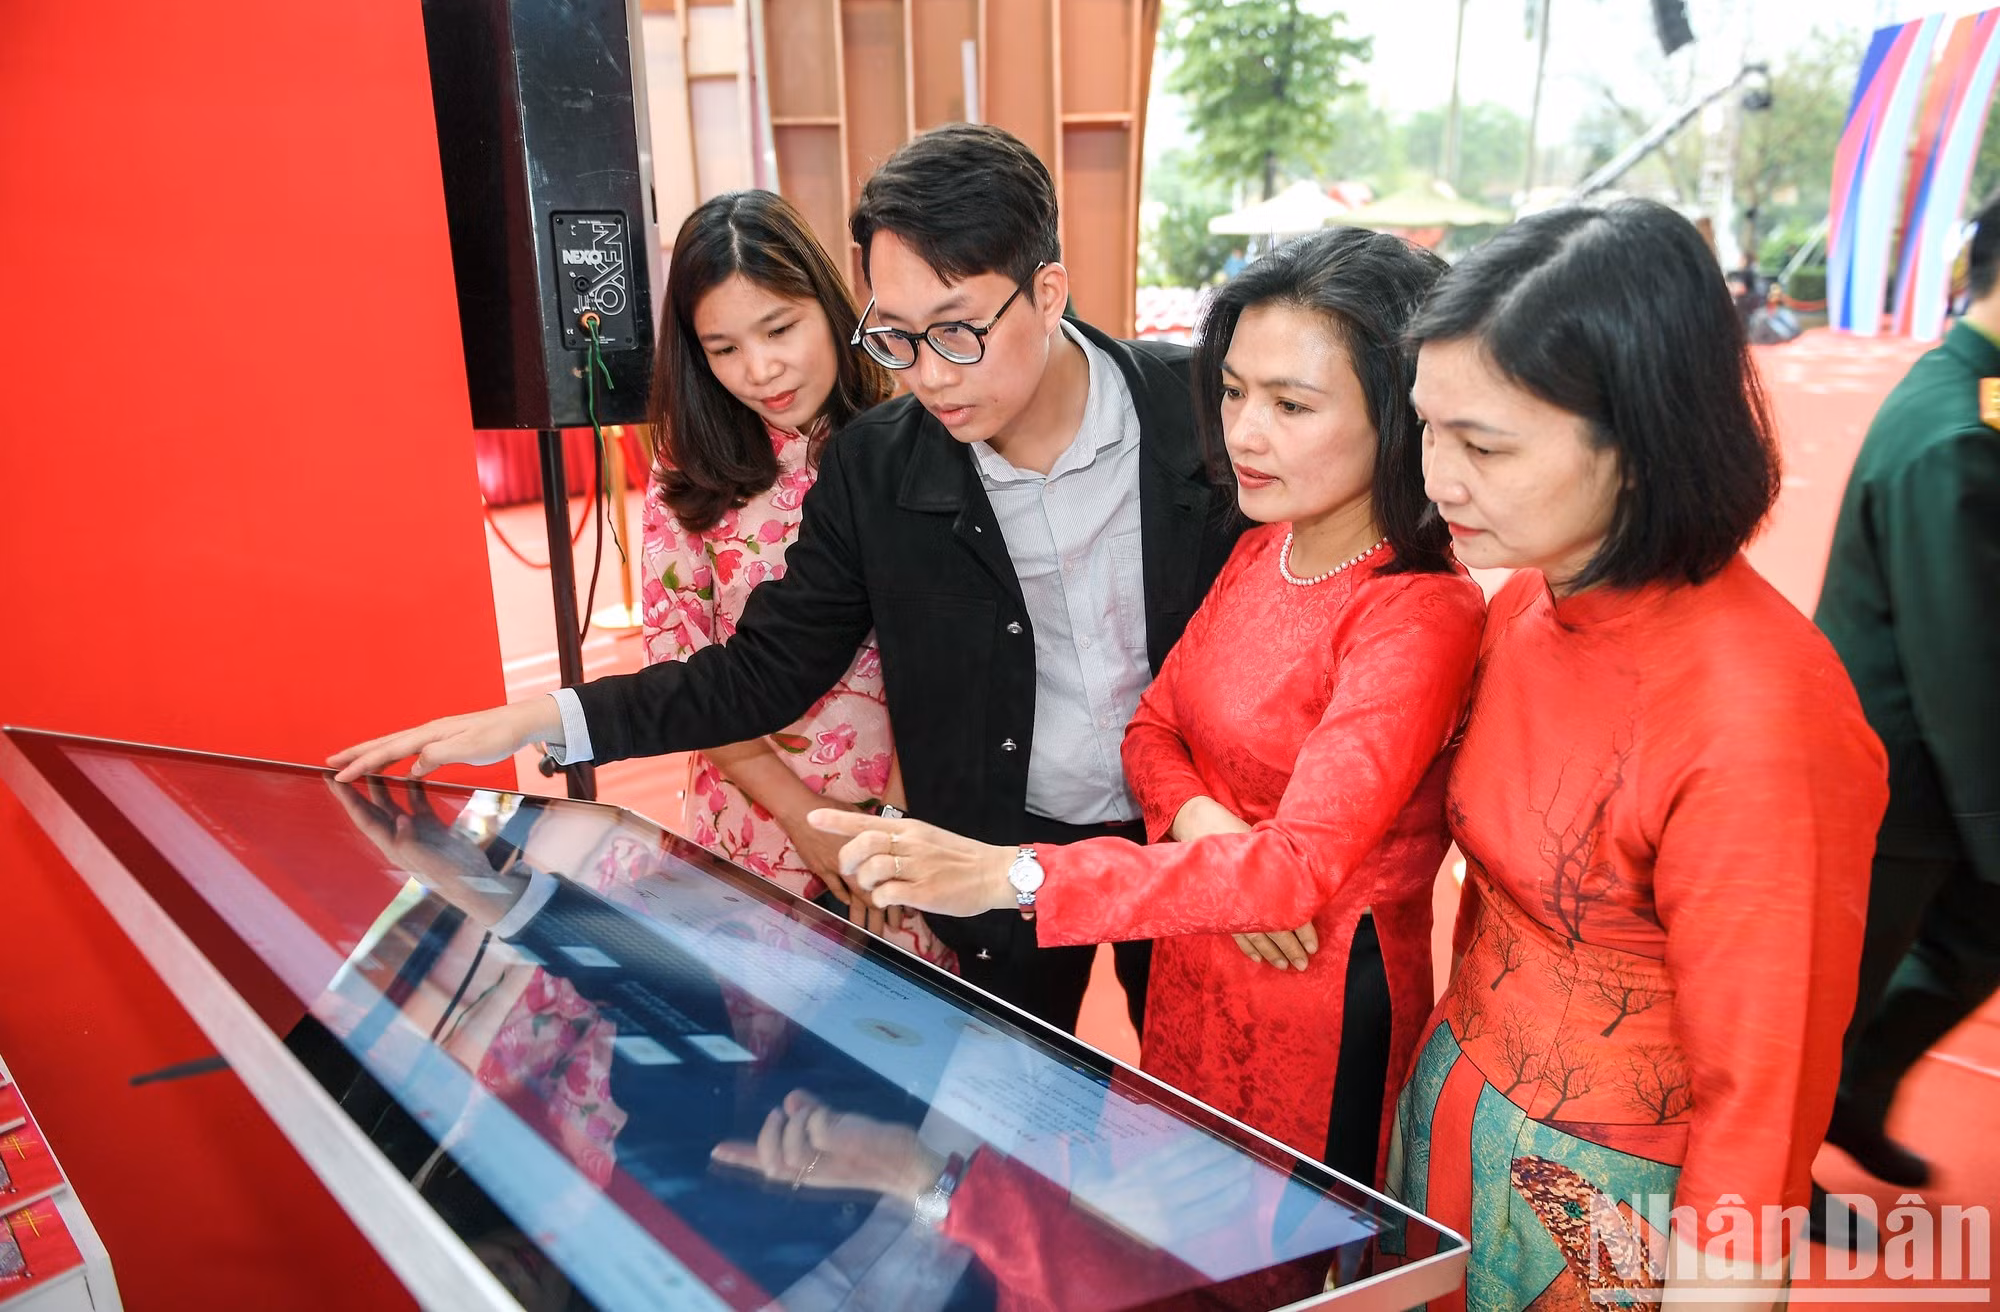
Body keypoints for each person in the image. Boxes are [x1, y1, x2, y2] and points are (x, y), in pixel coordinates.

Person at [331, 123, 1245, 1036]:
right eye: (897, 336)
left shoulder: (1202, 412)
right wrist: (541, 718)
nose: (929, 376)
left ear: (1047, 293)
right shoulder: (880, 466)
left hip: (1192, 835)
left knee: (1197, 1088)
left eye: (956, 331)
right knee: (1012, 1088)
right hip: (988, 851)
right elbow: (760, 673)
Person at [804, 227, 1487, 1184]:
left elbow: (1294, 875)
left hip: (1316, 991)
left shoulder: (1418, 611)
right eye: (1235, 392)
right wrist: (1210, 825)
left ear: (1400, 410)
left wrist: (1011, 876)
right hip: (1194, 958)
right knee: (1172, 1207)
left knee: (1283, 1239)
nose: (1244, 433)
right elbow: (1151, 728)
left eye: (1291, 404)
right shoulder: (1268, 546)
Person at [1387, 199, 1886, 1308]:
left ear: (1641, 442)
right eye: (1428, 428)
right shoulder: (1527, 598)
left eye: (1484, 445)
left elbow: (1760, 1103)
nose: (1438, 478)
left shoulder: (1760, 720)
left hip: (1613, 1205)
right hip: (1452, 1116)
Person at [634, 190, 947, 965]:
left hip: (911, 830)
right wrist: (802, 818)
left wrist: (891, 824)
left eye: (779, 329)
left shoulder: (916, 437)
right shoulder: (686, 475)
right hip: (755, 823)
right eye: (723, 348)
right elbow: (683, 672)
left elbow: (949, 658)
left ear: (831, 306)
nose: (760, 369)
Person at [1810, 189, 2000, 1205]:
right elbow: (1960, 662)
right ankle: (1777, 1169)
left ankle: (1854, 1092)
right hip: (1902, 769)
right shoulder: (1953, 429)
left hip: (1917, 762)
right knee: (1823, 1001)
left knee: (1957, 944)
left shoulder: (1972, 388)